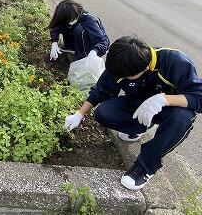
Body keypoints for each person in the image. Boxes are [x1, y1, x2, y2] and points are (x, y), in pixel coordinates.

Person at [65, 36, 202, 190]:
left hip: (169, 111)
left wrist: (163, 100)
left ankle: (145, 167)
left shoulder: (175, 61)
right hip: (137, 106)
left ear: (144, 68)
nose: (122, 78)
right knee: (104, 112)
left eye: (128, 77)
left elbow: (198, 97)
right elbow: (101, 90)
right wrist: (79, 114)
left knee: (182, 118)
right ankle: (141, 126)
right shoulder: (121, 61)